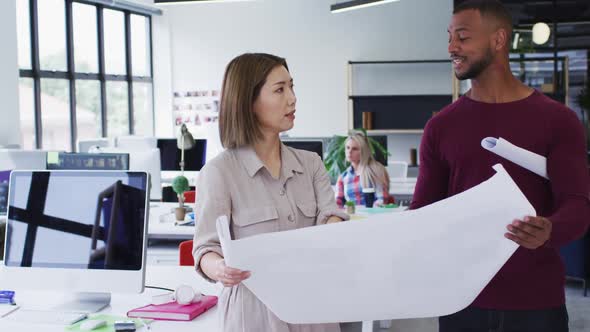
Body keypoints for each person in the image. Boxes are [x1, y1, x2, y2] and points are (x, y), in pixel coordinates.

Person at [410, 1, 590, 331]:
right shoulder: (441, 127)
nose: (452, 47)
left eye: (462, 37)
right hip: (462, 300)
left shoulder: (558, 121)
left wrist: (550, 229)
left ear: (498, 40)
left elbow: (578, 205)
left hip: (537, 302)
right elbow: (423, 211)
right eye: (449, 37)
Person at [192, 53, 348, 332]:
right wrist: (220, 269)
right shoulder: (218, 172)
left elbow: (330, 214)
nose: (292, 98)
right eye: (280, 89)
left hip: (314, 307)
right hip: (252, 313)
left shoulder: (310, 163)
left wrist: (332, 230)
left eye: (292, 86)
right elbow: (205, 249)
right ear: (249, 102)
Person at [335, 132, 391, 207]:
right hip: (351, 216)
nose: (349, 151)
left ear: (364, 151)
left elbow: (381, 200)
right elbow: (338, 202)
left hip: (373, 216)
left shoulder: (376, 171)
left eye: (354, 149)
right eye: (347, 147)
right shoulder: (344, 176)